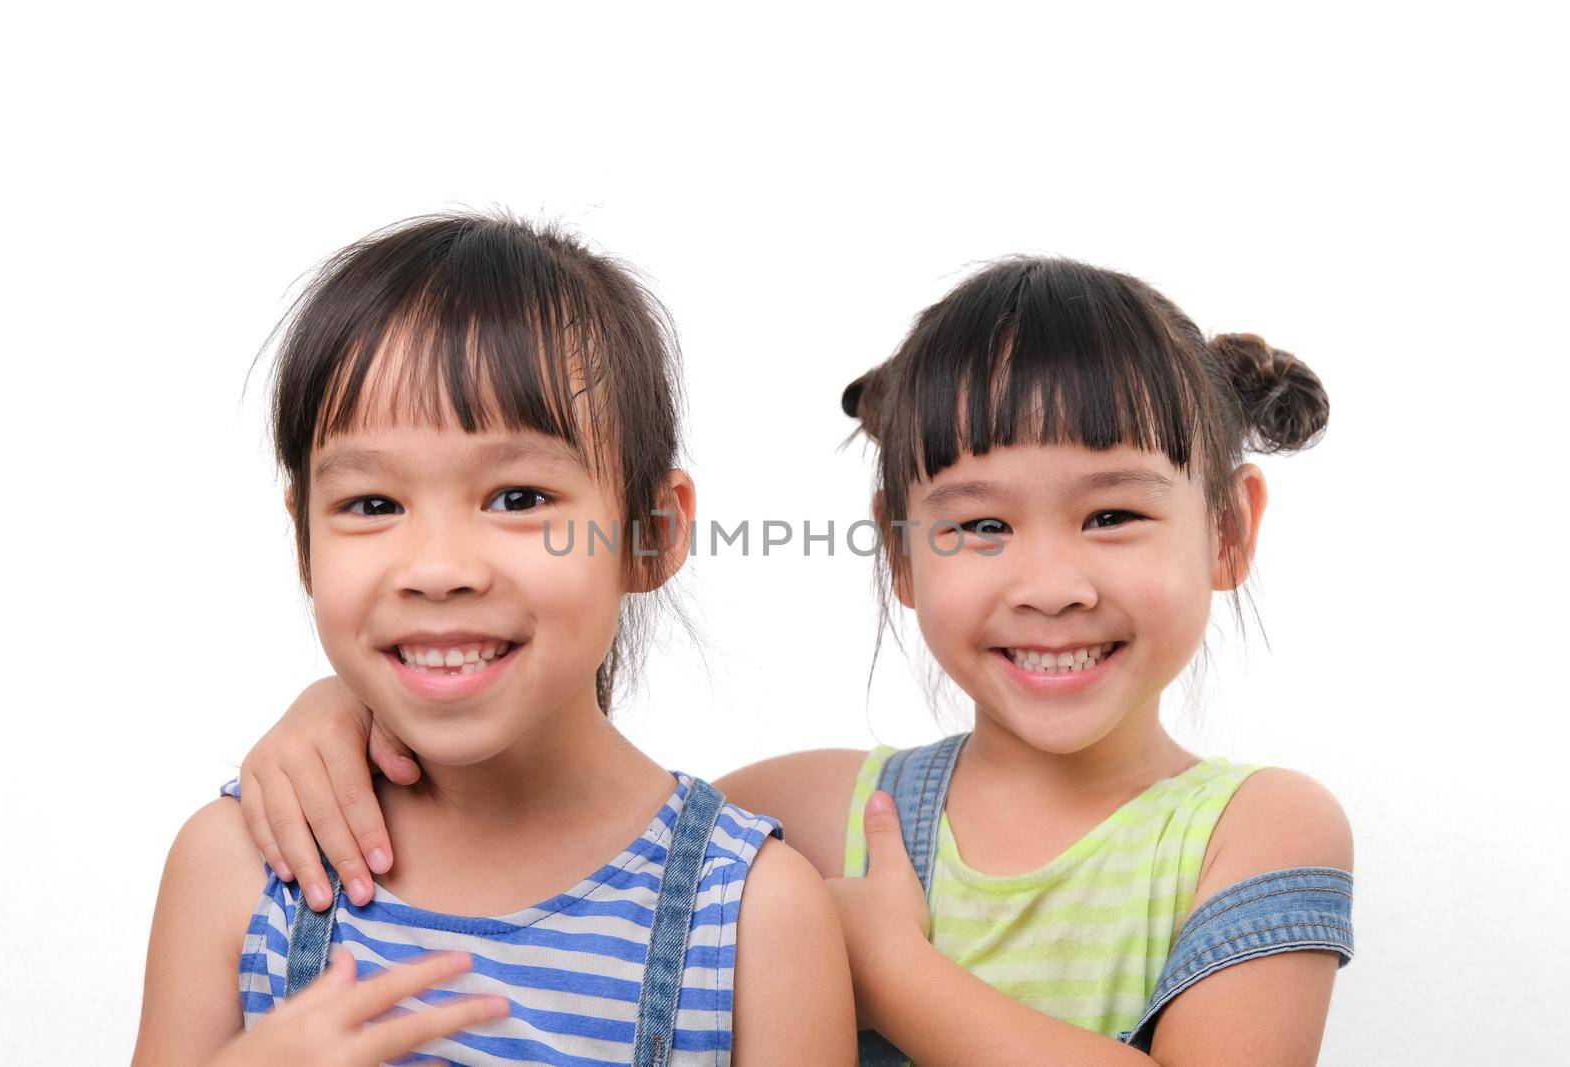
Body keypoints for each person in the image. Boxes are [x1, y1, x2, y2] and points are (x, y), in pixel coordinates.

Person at [227, 255, 1353, 1064]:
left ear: (1226, 532)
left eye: (1112, 515)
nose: (1049, 582)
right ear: (900, 554)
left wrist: (892, 969)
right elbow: (556, 771)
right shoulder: (809, 813)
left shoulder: (1254, 827)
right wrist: (344, 707)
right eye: (978, 525)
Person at [130, 212, 856, 1067]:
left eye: (517, 498)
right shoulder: (239, 868)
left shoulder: (751, 918)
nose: (437, 568)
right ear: (304, 542)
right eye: (372, 505)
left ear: (651, 533)